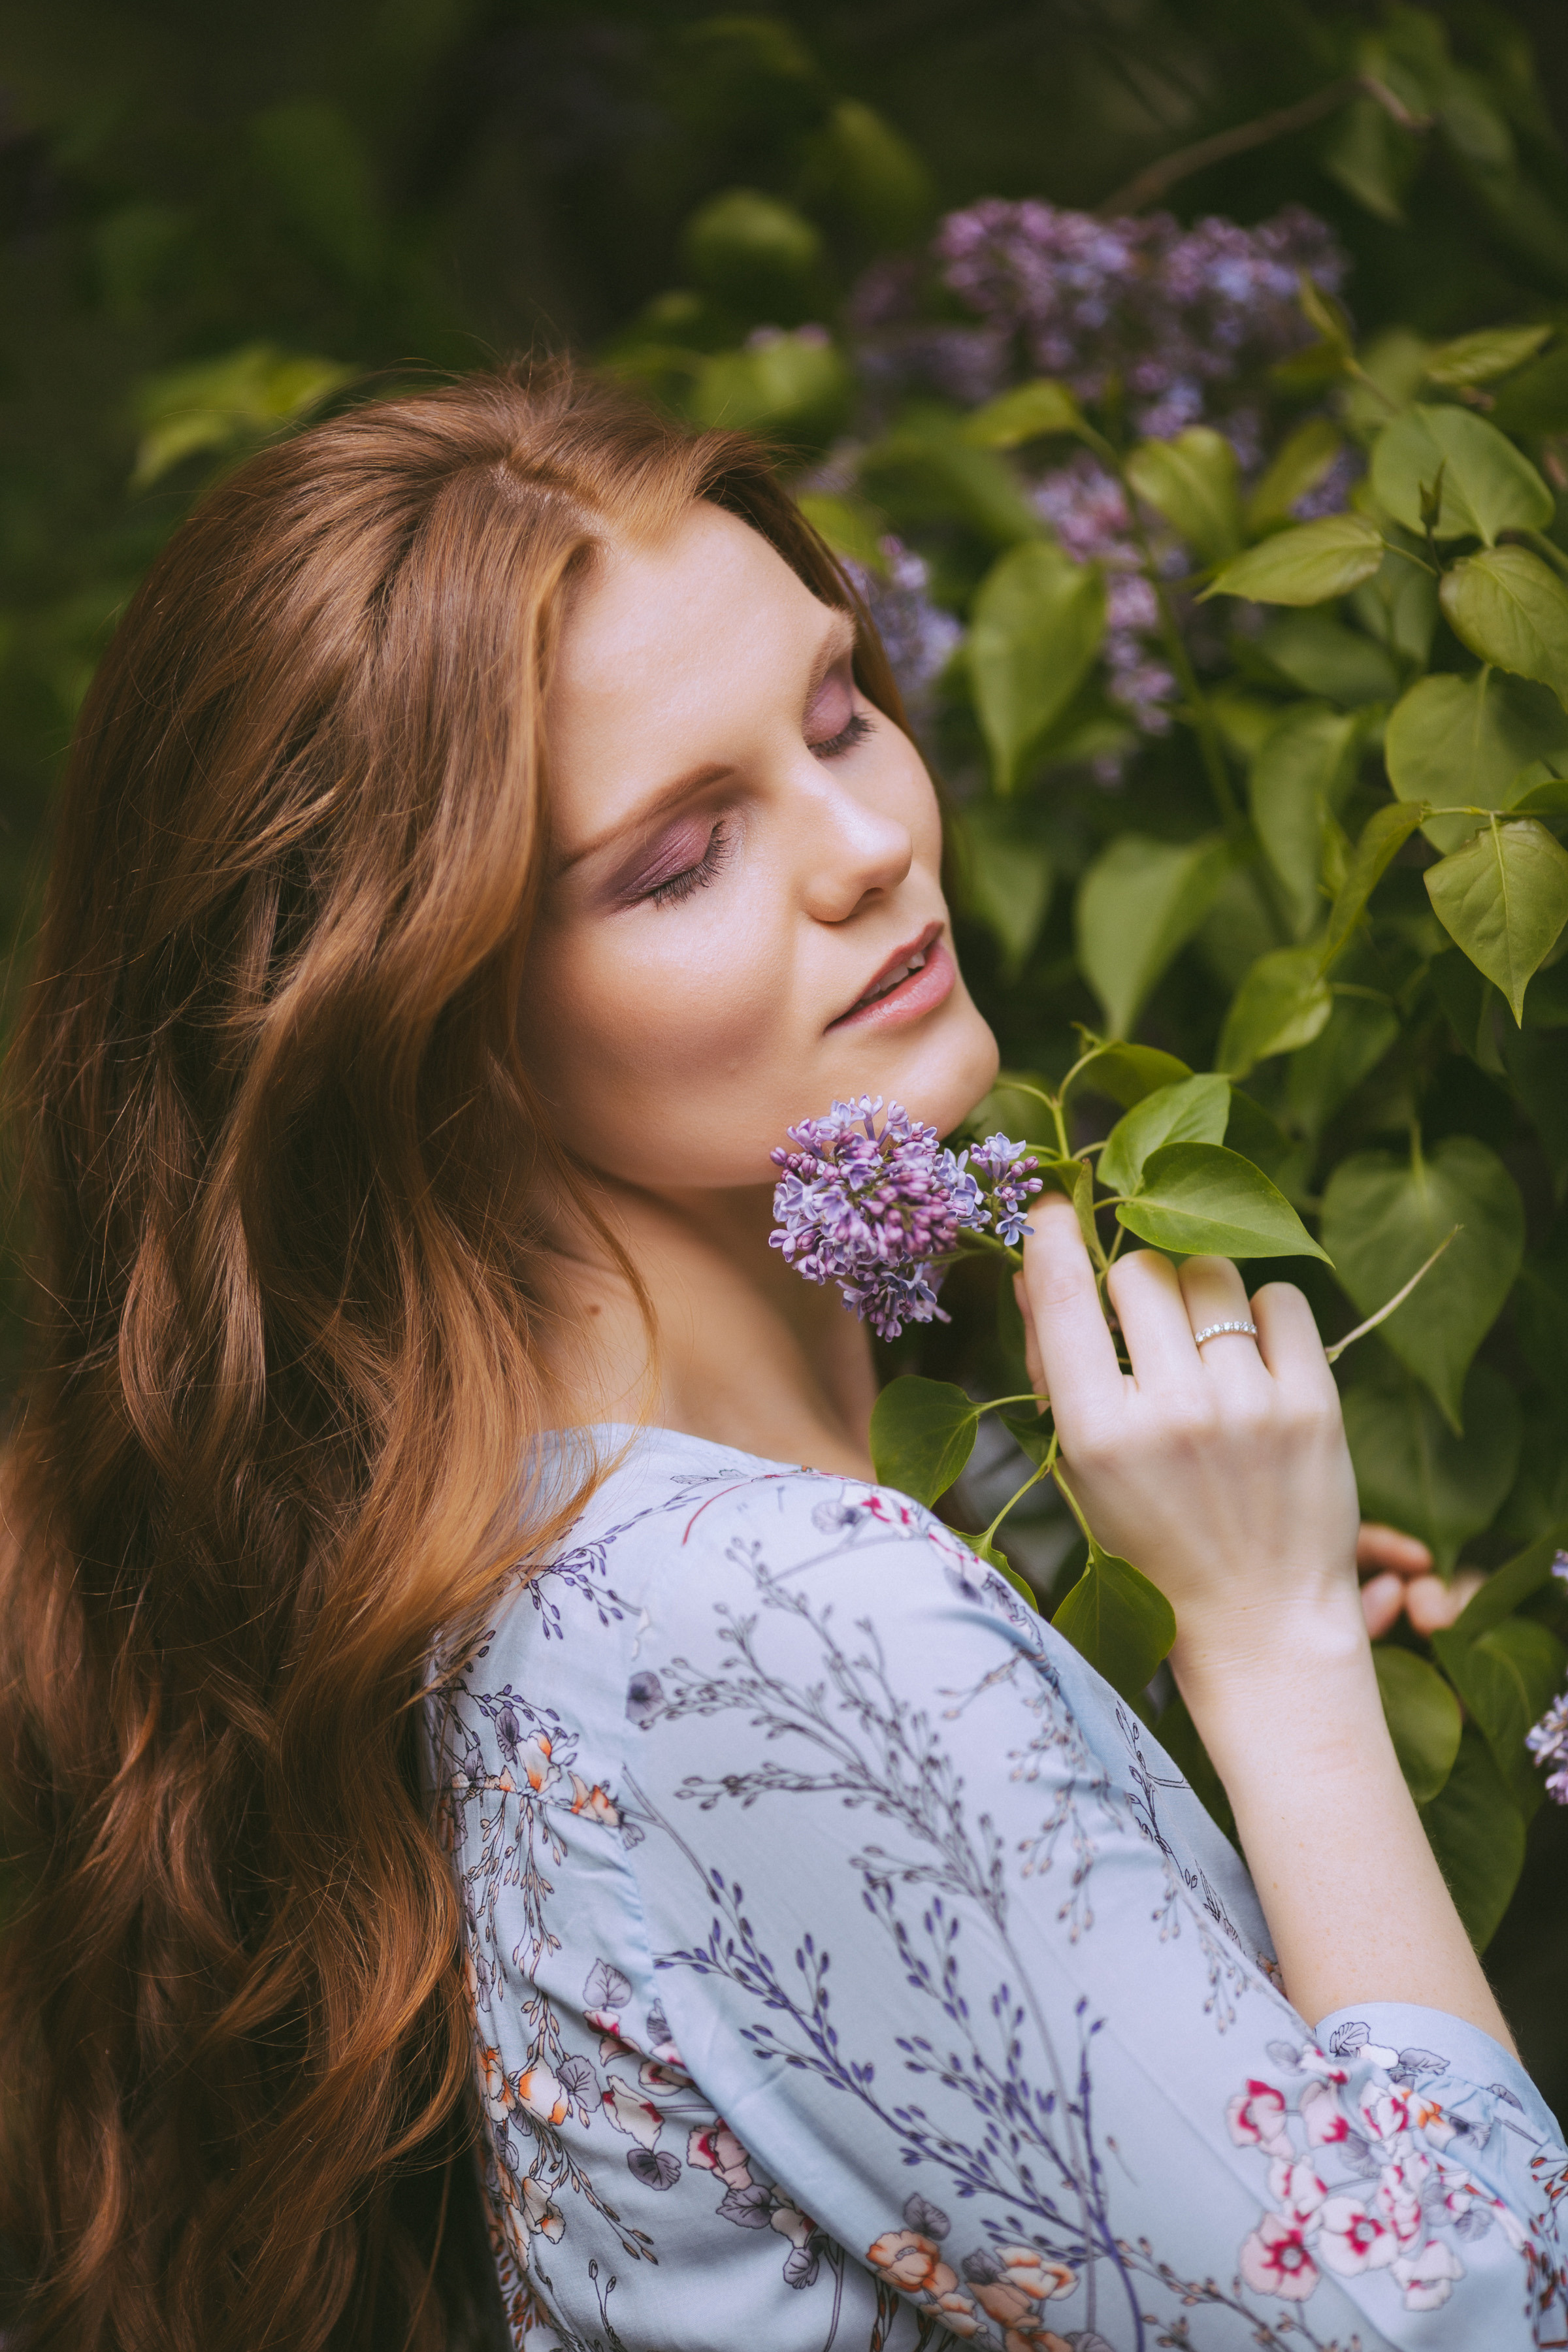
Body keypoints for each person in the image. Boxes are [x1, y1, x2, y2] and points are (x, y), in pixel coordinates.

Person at [0, 363, 1559, 2352]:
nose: (866, 843)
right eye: (676, 859)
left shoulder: (558, 1586)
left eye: (839, 715)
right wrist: (1282, 1665)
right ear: (435, 1042)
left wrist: (1160, 1746)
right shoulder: (761, 1625)